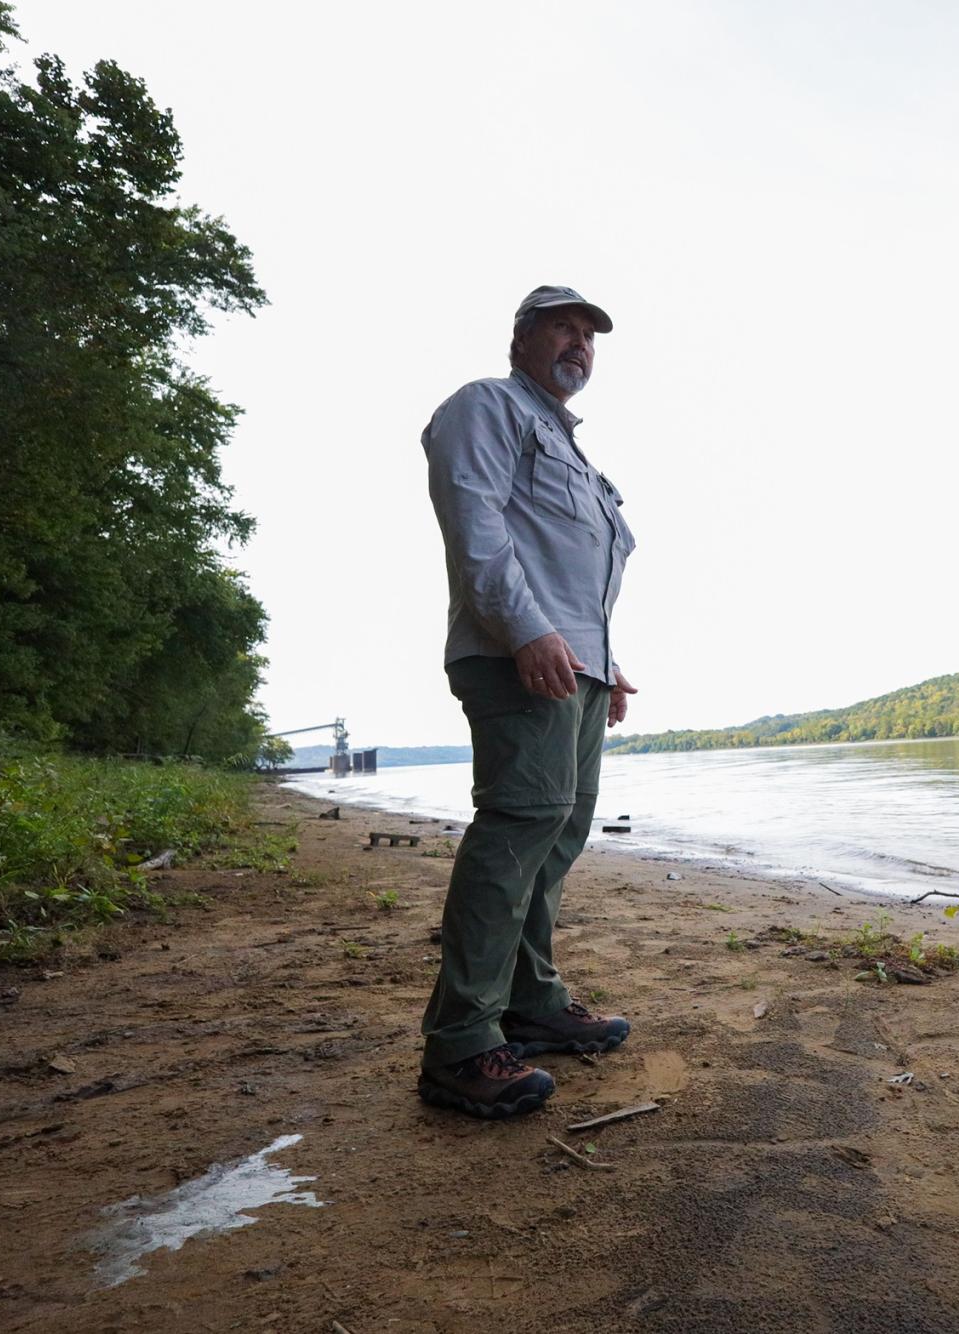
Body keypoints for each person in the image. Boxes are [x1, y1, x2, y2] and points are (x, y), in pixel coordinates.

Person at [415, 285, 638, 1119]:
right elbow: (474, 524)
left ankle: (531, 1002)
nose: (577, 343)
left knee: (557, 836)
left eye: (588, 335)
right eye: (561, 327)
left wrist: (606, 663)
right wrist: (528, 634)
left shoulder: (577, 452)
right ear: (521, 338)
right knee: (516, 834)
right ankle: (462, 1043)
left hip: (573, 667)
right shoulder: (486, 407)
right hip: (520, 659)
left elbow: (574, 571)